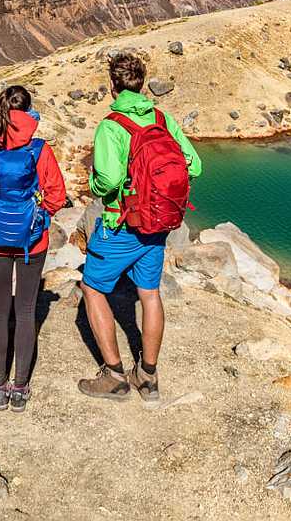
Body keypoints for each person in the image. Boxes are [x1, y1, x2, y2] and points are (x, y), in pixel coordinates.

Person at [77, 54, 201, 401]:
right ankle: (148, 377)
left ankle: (114, 376)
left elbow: (109, 180)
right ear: (142, 83)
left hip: (122, 224)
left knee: (92, 288)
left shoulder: (111, 125)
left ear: (113, 86)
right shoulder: (162, 118)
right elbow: (195, 165)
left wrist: (98, 185)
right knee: (149, 294)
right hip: (158, 225)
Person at [0, 85, 66, 411]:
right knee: (25, 311)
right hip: (32, 241)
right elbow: (56, 194)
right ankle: (20, 388)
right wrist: (38, 215)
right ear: (29, 111)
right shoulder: (40, 150)